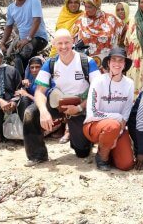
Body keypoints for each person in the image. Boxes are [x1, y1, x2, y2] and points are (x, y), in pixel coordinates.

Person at [22, 29, 101, 166]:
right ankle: (37, 155)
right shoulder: (50, 64)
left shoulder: (87, 62)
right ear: (54, 44)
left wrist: (78, 107)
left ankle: (82, 140)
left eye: (67, 43)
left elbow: (97, 91)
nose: (63, 47)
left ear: (73, 42)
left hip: (81, 105)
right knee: (30, 114)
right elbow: (40, 91)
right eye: (60, 43)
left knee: (81, 152)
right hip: (58, 102)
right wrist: (43, 111)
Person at [83, 47, 135, 171]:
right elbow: (92, 113)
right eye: (114, 60)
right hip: (94, 125)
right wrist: (116, 118)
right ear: (108, 62)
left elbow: (126, 113)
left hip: (118, 128)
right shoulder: (98, 81)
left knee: (126, 164)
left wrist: (117, 135)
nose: (117, 64)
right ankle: (102, 156)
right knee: (112, 126)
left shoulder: (129, 83)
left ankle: (110, 148)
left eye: (120, 61)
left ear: (125, 64)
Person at [0, 0, 49, 77]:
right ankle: (25, 81)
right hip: (25, 41)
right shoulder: (11, 8)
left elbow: (37, 20)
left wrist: (28, 39)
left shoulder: (33, 0)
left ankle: (27, 81)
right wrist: (2, 43)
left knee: (24, 52)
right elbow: (8, 27)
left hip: (39, 38)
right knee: (21, 58)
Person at [74, 0, 125, 68]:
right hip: (86, 63)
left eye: (90, 7)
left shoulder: (110, 19)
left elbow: (124, 30)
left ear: (97, 7)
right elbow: (73, 42)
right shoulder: (80, 21)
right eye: (86, 7)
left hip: (107, 63)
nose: (87, 10)